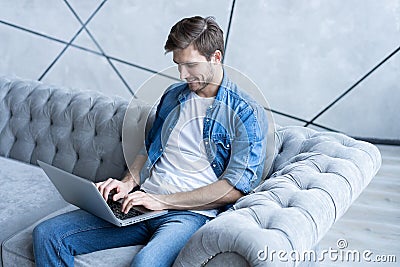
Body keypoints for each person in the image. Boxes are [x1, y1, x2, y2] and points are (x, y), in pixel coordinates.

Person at [33, 16, 269, 267]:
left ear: (216, 57)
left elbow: (234, 187)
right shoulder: (172, 96)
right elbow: (149, 149)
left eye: (190, 65)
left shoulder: (246, 113)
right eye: (178, 64)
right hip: (141, 203)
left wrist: (162, 201)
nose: (182, 74)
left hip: (189, 215)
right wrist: (126, 184)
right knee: (48, 235)